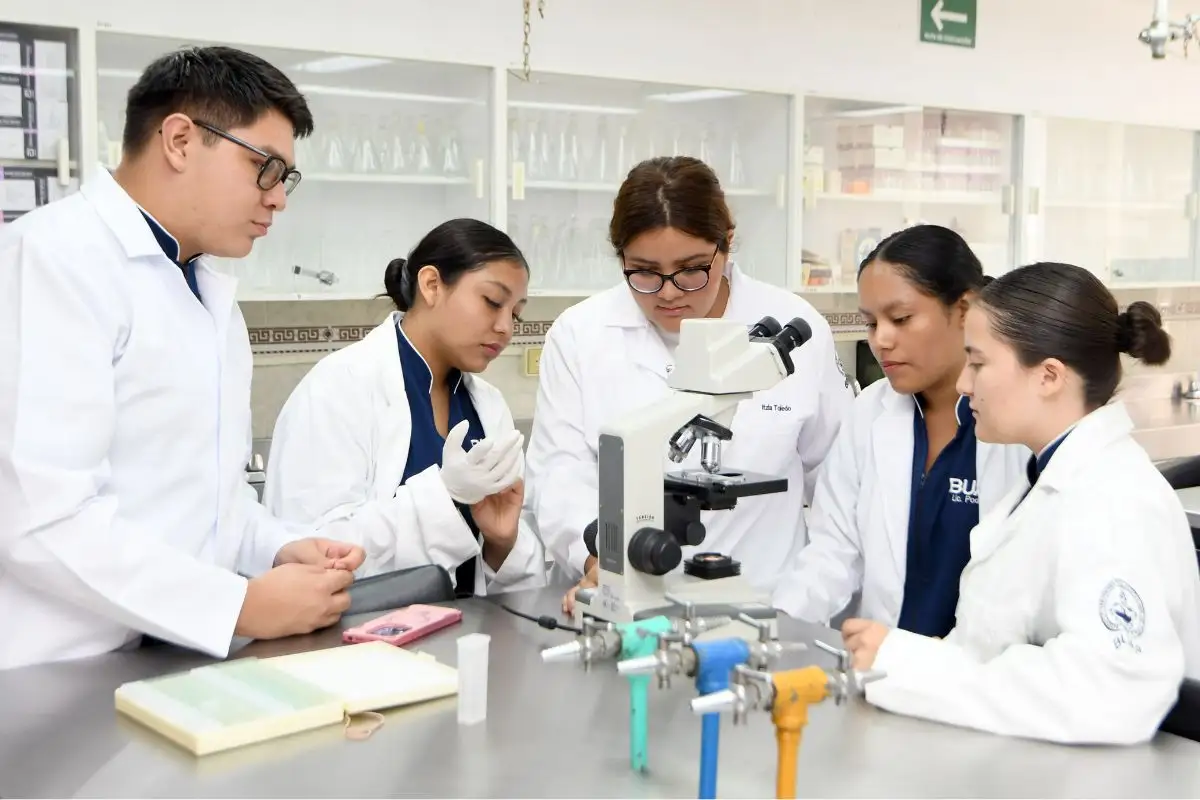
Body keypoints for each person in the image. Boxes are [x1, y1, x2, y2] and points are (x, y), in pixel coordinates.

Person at [0, 46, 367, 671]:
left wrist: (280, 549)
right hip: (53, 673)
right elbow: (39, 517)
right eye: (265, 168)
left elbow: (212, 501)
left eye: (286, 177)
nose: (278, 199)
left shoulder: (205, 291)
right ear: (178, 140)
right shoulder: (52, 259)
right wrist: (237, 607)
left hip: (166, 660)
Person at [843, 262, 1200, 745]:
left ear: (1049, 376)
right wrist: (918, 657)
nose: (965, 385)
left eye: (979, 363)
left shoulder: (1113, 501)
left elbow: (1110, 693)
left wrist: (912, 667)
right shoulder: (1046, 478)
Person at [523, 155, 855, 612]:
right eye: (644, 271)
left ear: (727, 244)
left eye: (692, 268)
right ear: (620, 257)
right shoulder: (580, 334)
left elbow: (838, 489)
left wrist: (797, 609)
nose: (669, 291)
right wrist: (599, 557)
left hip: (771, 602)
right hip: (631, 605)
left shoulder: (799, 330)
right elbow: (559, 475)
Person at [264, 219, 546, 596]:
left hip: (467, 638)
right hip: (356, 645)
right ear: (431, 285)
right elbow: (312, 552)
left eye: (515, 313)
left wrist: (502, 541)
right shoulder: (339, 387)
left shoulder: (488, 405)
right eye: (492, 302)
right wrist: (444, 497)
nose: (505, 328)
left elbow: (512, 582)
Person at [772, 225, 1028, 634]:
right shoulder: (871, 412)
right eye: (871, 323)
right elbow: (834, 552)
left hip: (983, 682)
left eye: (901, 318)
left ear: (964, 309)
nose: (881, 341)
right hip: (885, 679)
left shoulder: (1020, 423)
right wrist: (777, 627)